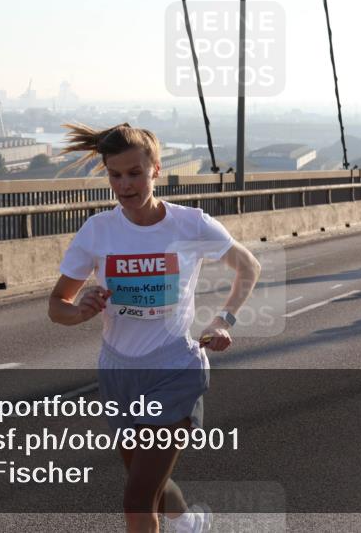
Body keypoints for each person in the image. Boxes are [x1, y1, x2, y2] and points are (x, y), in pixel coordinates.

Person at [48, 122, 261, 532]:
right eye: (115, 175)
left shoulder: (189, 224)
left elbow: (248, 266)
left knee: (136, 501)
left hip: (174, 370)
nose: (124, 185)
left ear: (156, 170)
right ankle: (188, 523)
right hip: (118, 373)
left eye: (135, 173)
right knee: (146, 482)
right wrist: (80, 312)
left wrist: (223, 320)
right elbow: (57, 305)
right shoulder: (98, 231)